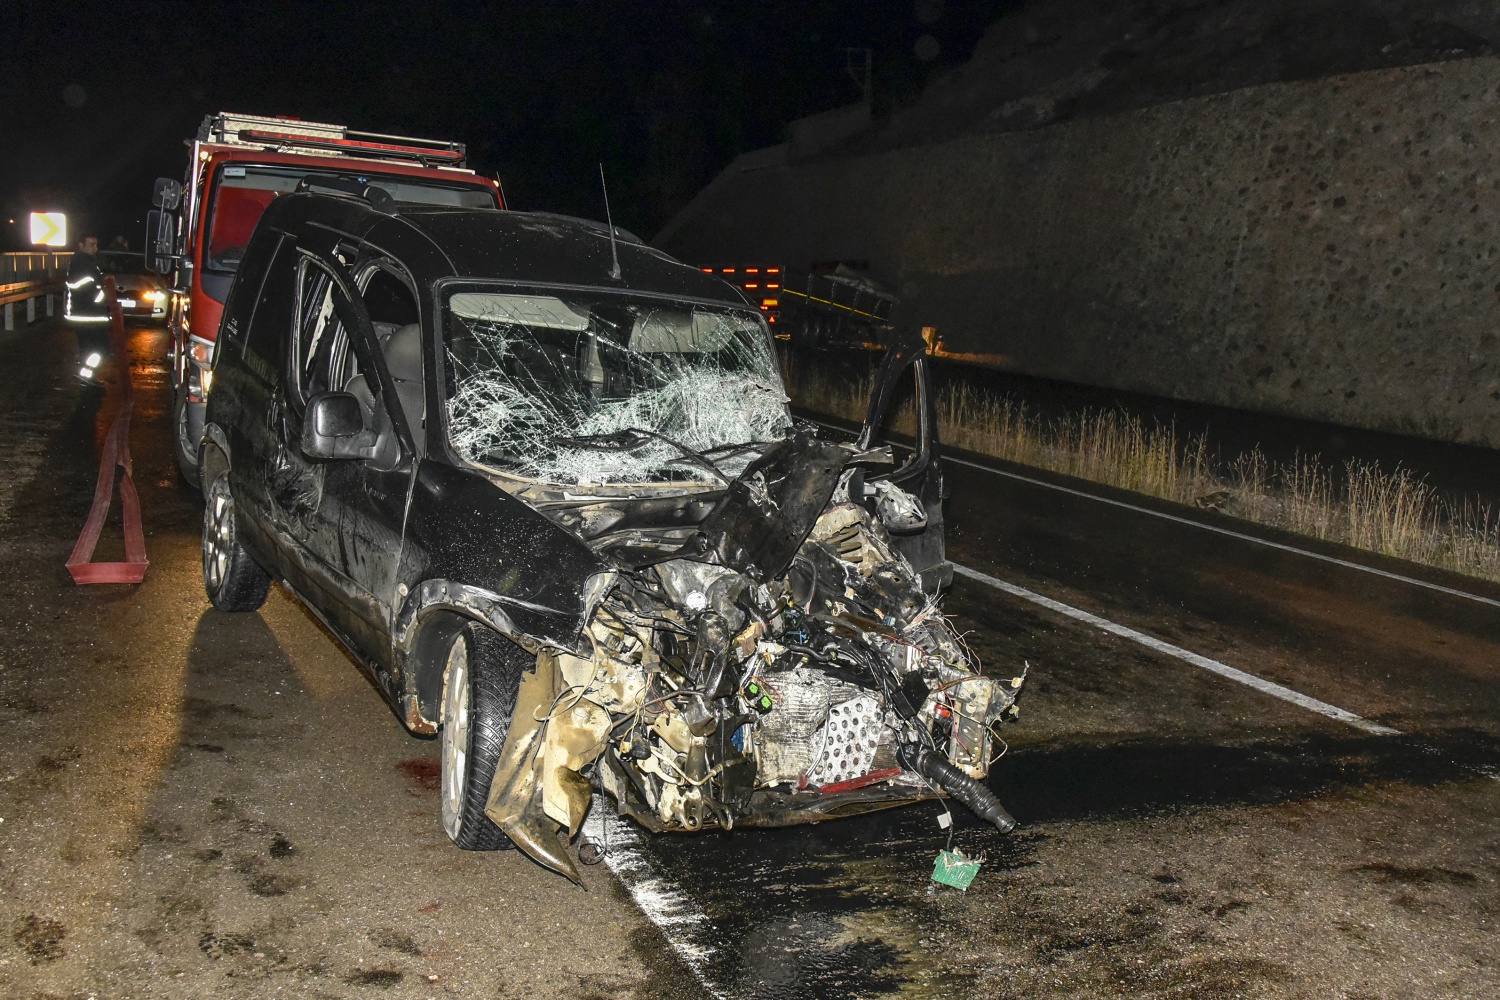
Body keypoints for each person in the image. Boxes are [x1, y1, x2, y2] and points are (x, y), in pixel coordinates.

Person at [64, 234, 109, 386]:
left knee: (92, 348)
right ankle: (85, 375)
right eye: (91, 244)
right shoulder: (81, 263)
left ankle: (86, 376)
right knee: (100, 349)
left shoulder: (87, 262)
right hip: (86, 315)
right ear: (81, 245)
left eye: (96, 245)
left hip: (89, 315)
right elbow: (80, 286)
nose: (95, 248)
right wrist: (101, 294)